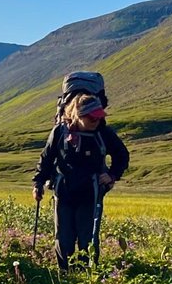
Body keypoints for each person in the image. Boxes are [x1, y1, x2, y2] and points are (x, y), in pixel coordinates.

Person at [32, 92, 130, 269]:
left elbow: (122, 155)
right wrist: (38, 183)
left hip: (90, 193)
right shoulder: (60, 132)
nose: (96, 122)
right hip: (64, 192)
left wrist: (113, 175)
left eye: (99, 118)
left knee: (88, 238)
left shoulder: (104, 133)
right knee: (63, 238)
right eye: (92, 118)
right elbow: (46, 158)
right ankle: (66, 274)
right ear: (78, 115)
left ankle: (87, 275)